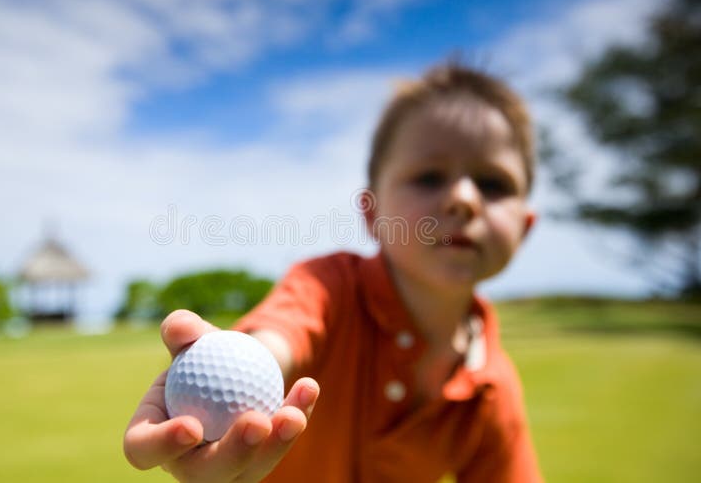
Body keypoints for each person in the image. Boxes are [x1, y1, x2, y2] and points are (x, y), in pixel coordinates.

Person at [123, 62, 543, 482]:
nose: (464, 200)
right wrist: (241, 364)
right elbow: (279, 336)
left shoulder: (493, 387)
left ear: (524, 227)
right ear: (373, 213)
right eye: (430, 177)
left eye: (493, 184)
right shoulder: (328, 285)